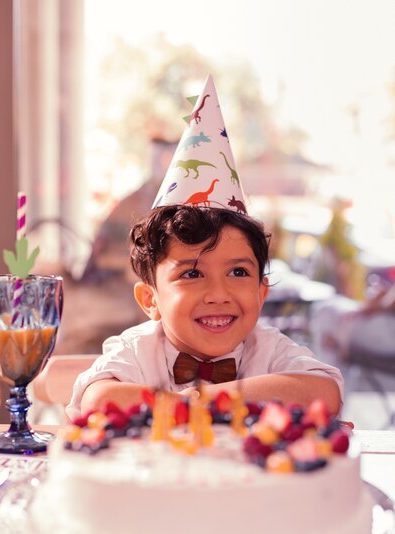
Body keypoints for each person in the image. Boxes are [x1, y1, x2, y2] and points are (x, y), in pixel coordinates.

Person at [66, 75, 343, 418]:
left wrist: (198, 403)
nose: (218, 293)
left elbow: (324, 393)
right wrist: (221, 404)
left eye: (238, 272)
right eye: (192, 273)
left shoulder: (268, 349)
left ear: (261, 292)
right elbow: (98, 401)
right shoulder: (138, 350)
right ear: (151, 300)